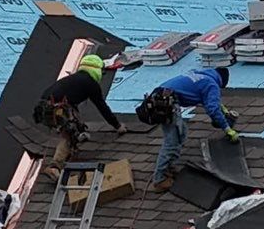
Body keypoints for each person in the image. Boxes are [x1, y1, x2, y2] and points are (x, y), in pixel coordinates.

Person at [144, 62, 238, 191]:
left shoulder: (201, 75)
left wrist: (223, 109)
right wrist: (227, 129)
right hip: (165, 103)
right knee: (171, 141)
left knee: (181, 133)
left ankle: (169, 168)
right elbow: (213, 109)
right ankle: (159, 180)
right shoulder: (212, 84)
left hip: (161, 97)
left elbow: (209, 101)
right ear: (221, 82)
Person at [32, 53, 123, 153]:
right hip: (56, 109)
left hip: (42, 109)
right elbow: (102, 107)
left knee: (70, 119)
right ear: (97, 70)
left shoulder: (73, 80)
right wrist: (117, 126)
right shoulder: (90, 83)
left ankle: (78, 135)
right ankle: (57, 164)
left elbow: (72, 106)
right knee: (68, 138)